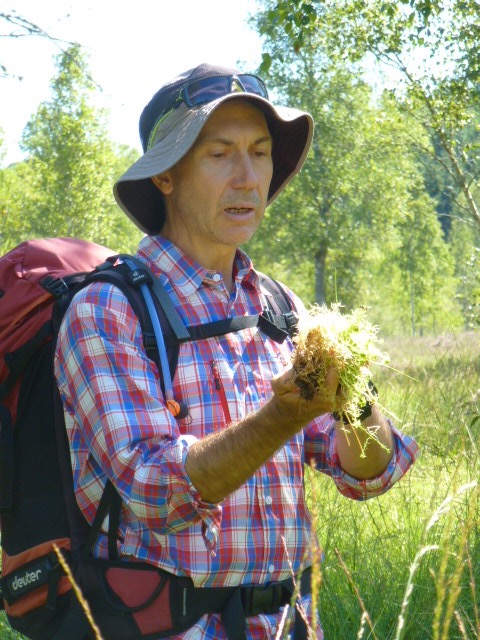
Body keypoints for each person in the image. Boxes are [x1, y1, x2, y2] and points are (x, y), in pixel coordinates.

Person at [54, 63, 419, 639]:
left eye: (260, 151)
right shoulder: (109, 310)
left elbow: (372, 473)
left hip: (290, 624)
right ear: (166, 176)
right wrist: (285, 415)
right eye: (220, 154)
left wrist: (351, 393)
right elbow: (152, 489)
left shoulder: (279, 307)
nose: (249, 178)